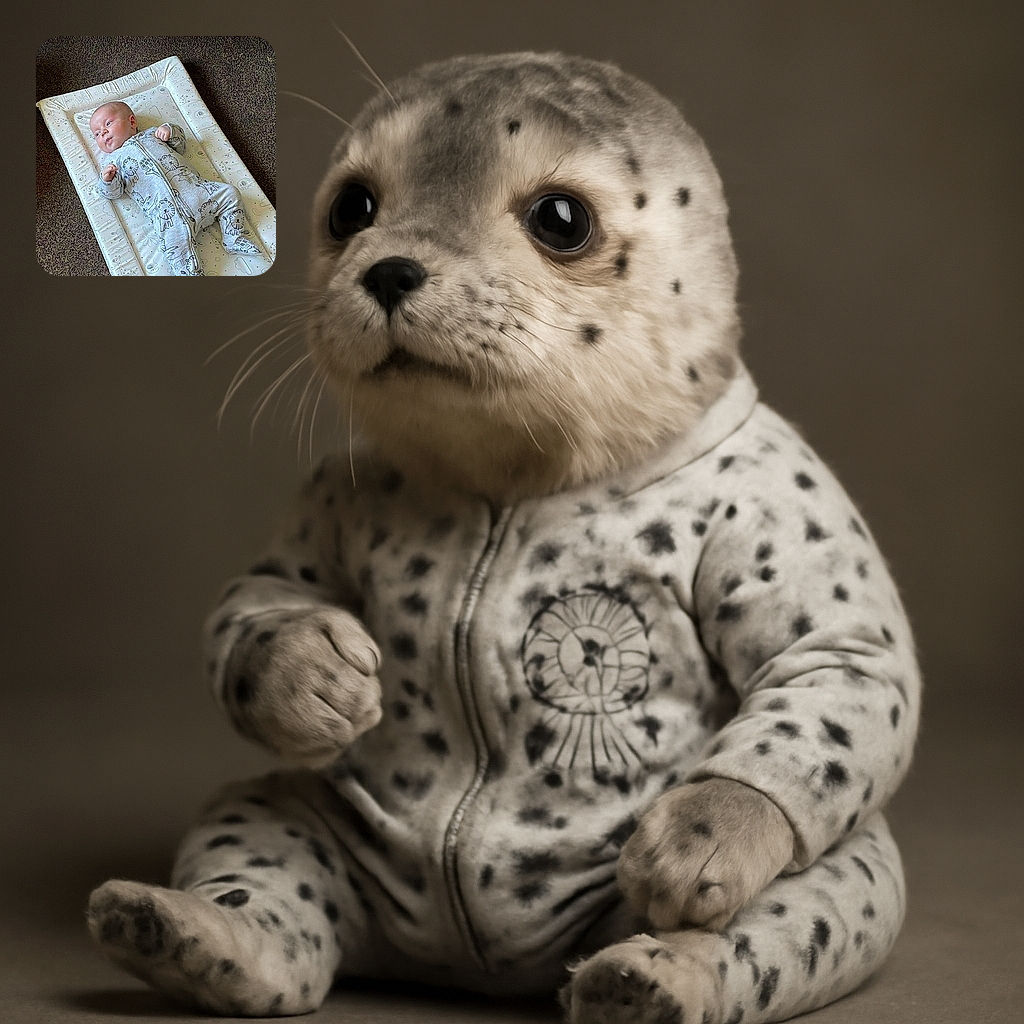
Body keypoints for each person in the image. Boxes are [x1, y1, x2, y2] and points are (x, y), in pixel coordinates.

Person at [91, 100, 262, 276]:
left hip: (199, 192)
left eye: (108, 124)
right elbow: (113, 192)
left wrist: (170, 131)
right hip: (168, 218)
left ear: (132, 122)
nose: (103, 133)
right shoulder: (112, 163)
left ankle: (234, 236)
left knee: (230, 193)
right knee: (175, 251)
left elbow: (181, 145)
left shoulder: (152, 134)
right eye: (96, 134)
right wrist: (107, 180)